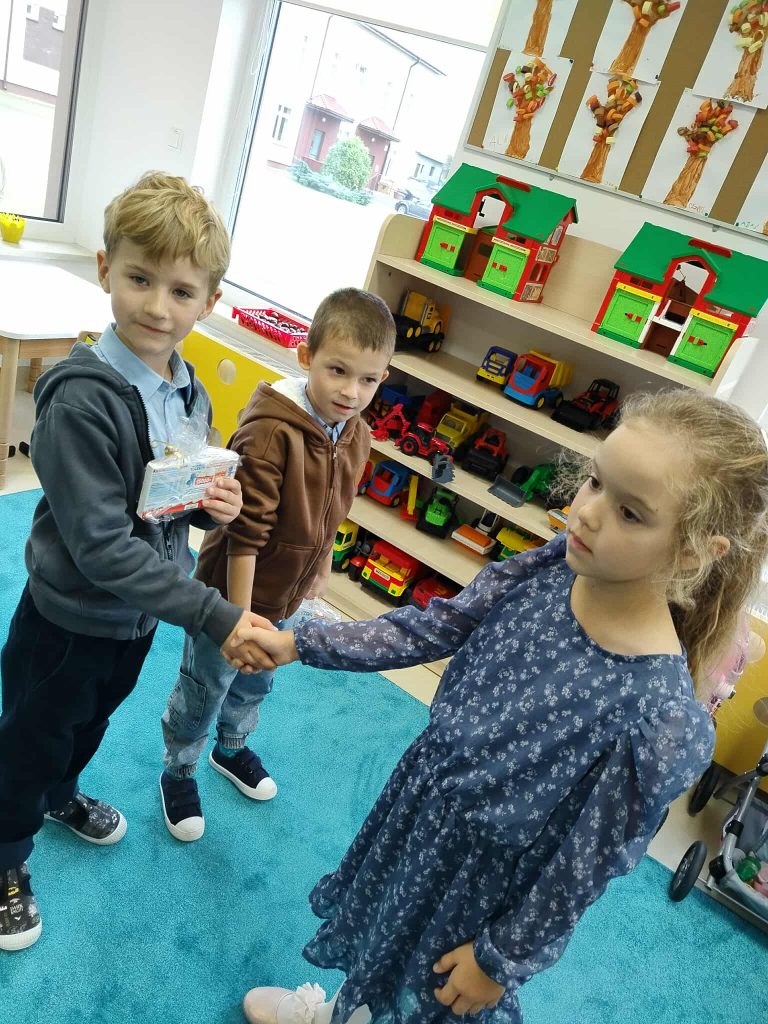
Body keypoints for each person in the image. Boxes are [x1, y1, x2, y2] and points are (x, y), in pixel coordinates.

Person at [232, 389, 768, 1024]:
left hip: (477, 887)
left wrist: (500, 960)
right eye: (596, 482)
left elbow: (580, 868)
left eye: (630, 513)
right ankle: (345, 1011)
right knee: (381, 935)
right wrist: (303, 643)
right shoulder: (553, 566)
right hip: (423, 807)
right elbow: (438, 625)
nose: (587, 514)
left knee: (429, 998)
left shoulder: (662, 717)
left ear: (695, 551)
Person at [0, 172, 273, 952]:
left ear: (208, 302)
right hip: (67, 619)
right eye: (140, 279)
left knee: (88, 723)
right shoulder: (80, 399)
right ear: (105, 270)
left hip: (135, 619)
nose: (158, 306)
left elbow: (167, 497)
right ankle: (5, 857)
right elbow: (100, 545)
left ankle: (60, 795)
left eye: (182, 291)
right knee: (29, 739)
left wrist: (210, 506)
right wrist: (215, 615)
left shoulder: (188, 391)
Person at [158, 288, 394, 842]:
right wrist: (238, 620)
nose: (351, 391)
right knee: (206, 685)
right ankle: (179, 770)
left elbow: (336, 507)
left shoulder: (355, 430)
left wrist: (321, 565)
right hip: (231, 595)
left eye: (368, 380)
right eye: (338, 371)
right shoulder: (271, 430)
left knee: (256, 680)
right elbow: (244, 535)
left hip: (286, 592)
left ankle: (230, 748)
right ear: (306, 356)